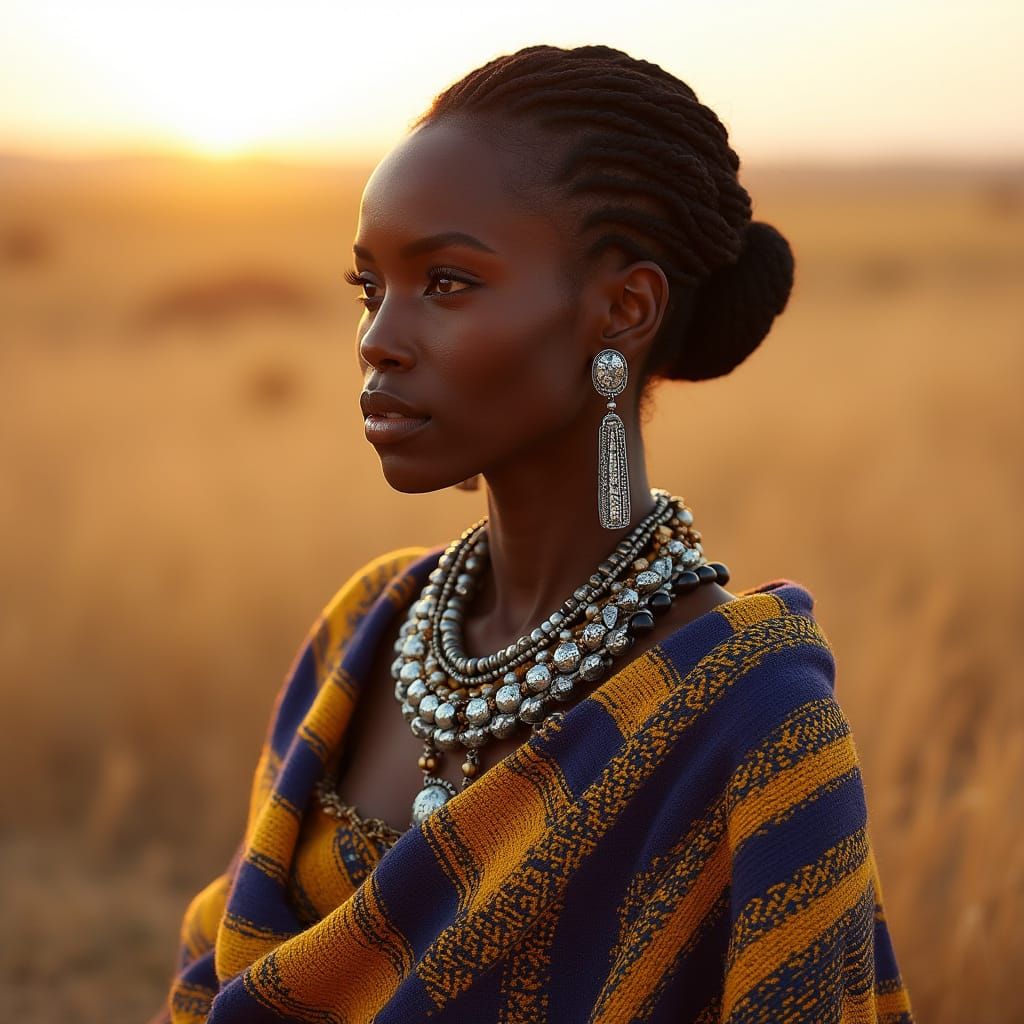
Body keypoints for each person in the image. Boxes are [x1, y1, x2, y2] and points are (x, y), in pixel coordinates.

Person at [155, 43, 915, 1024]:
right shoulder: (367, 627)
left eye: (448, 283)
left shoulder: (751, 719)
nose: (377, 338)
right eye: (368, 288)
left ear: (622, 310)